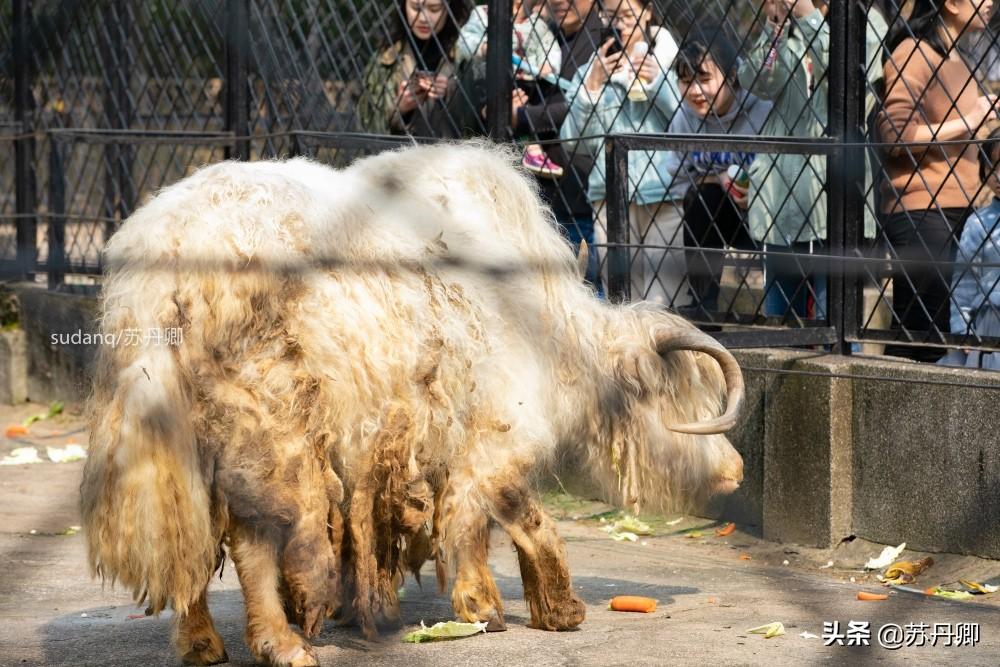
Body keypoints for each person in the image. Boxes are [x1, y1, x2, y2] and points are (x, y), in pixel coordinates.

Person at [878, 0, 995, 362]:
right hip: (922, 212)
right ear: (951, 3)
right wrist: (971, 119)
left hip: (960, 211)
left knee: (940, 340)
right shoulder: (913, 51)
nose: (989, 2)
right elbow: (895, 136)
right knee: (919, 342)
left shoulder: (957, 58)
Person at [560, 0, 685, 306]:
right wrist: (591, 87)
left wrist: (658, 82)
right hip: (609, 194)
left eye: (628, 16)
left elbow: (685, 123)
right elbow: (573, 141)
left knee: (662, 301)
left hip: (662, 194)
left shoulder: (670, 60)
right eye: (612, 17)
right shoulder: (593, 69)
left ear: (648, 13)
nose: (621, 25)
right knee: (620, 299)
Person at [666, 29, 772, 316]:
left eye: (703, 79)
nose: (695, 92)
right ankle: (704, 306)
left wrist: (757, 191)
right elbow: (678, 180)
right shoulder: (684, 118)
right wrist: (719, 179)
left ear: (732, 76)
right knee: (700, 198)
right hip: (724, 213)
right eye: (685, 81)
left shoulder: (762, 111)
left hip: (769, 214)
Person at [516, 0, 605, 292]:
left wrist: (519, 116)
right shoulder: (542, 32)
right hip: (539, 195)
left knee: (591, 291)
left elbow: (578, 104)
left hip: (584, 188)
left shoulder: (604, 36)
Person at [457, 0, 565, 177]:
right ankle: (493, 120)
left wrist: (548, 65)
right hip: (488, 77)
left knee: (525, 107)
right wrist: (484, 48)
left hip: (524, 81)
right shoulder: (482, 15)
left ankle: (529, 147)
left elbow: (550, 47)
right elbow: (465, 41)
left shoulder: (537, 24)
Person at [357, 0, 475, 138]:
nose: (423, 18)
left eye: (434, 9)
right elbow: (363, 128)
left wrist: (450, 92)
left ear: (449, 9)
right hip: (400, 157)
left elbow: (480, 125)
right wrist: (399, 109)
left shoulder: (466, 55)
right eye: (415, 8)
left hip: (451, 157)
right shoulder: (385, 59)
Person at [942, 124, 1000, 370]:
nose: (998, 175)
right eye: (993, 166)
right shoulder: (978, 223)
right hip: (992, 325)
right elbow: (963, 284)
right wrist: (962, 330)